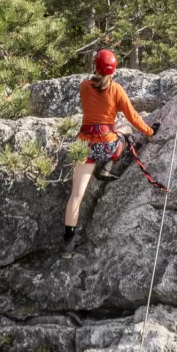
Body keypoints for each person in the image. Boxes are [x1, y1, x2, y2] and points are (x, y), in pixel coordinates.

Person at [63, 49, 154, 242]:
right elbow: (133, 117)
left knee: (76, 196)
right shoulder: (116, 89)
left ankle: (68, 244)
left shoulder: (84, 86)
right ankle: (107, 166)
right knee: (124, 127)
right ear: (113, 70)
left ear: (95, 66)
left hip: (85, 146)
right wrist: (149, 131)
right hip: (107, 146)